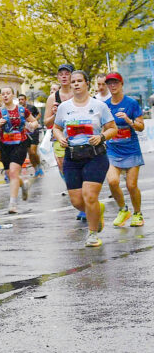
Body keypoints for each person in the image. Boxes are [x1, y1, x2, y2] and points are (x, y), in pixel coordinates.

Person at [52, 71, 117, 247]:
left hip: (95, 155)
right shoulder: (64, 107)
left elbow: (113, 128)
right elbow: (56, 128)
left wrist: (102, 137)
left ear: (87, 83)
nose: (76, 84)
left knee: (89, 196)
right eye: (73, 82)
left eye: (80, 81)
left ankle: (93, 233)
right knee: (77, 201)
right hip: (72, 156)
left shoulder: (99, 106)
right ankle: (97, 210)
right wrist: (60, 137)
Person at [102, 72, 145, 227]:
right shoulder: (105, 105)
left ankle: (138, 213)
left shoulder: (131, 103)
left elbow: (141, 127)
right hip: (113, 150)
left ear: (121, 84)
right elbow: (102, 126)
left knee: (131, 185)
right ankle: (123, 209)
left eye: (115, 83)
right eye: (110, 83)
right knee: (112, 181)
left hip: (131, 150)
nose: (112, 86)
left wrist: (128, 120)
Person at [0, 87, 38, 213]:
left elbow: (34, 122)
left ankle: (13, 204)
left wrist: (32, 125)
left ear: (13, 95)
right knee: (11, 175)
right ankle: (23, 184)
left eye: (8, 93)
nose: (5, 96)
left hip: (20, 143)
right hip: (5, 144)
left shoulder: (22, 110)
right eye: (3, 94)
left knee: (14, 172)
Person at [44, 64, 76, 209]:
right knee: (64, 166)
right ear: (58, 77)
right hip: (59, 136)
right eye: (61, 74)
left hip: (78, 135)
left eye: (67, 73)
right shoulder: (53, 98)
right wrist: (56, 114)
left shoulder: (78, 93)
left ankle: (78, 192)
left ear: (72, 76)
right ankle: (74, 190)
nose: (64, 76)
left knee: (78, 166)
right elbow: (46, 122)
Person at [18, 93, 45, 176]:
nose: (20, 101)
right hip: (24, 132)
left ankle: (39, 166)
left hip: (33, 131)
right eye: (19, 100)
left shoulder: (31, 107)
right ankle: (36, 169)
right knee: (29, 153)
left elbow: (39, 114)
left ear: (25, 100)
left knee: (33, 152)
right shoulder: (17, 109)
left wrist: (33, 121)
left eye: (22, 99)